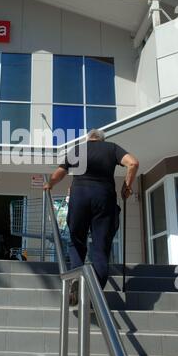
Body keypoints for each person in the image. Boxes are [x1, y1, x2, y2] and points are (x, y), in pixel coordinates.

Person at [44, 129, 139, 304]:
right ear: (102, 139)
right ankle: (92, 295)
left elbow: (60, 172)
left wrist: (49, 184)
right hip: (104, 198)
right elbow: (133, 163)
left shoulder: (78, 149)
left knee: (76, 241)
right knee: (100, 248)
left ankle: (76, 279)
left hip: (79, 196)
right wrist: (127, 186)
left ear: (88, 138)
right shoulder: (111, 148)